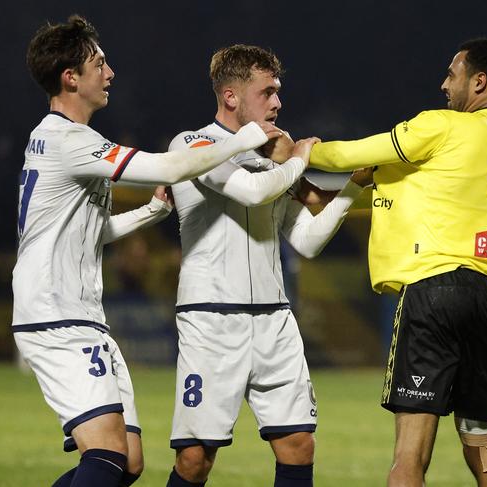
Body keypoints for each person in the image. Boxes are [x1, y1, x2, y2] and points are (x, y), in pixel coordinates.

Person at [14, 16, 280, 487]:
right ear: (70, 77)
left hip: (77, 314)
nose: (110, 73)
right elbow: (171, 164)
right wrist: (243, 139)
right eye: (99, 63)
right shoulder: (68, 140)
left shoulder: (56, 140)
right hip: (56, 316)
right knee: (108, 456)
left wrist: (152, 213)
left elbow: (87, 234)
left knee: (129, 462)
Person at [308, 38, 487, 486]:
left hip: (436, 291)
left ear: (479, 81)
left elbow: (352, 154)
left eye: (453, 74)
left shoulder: (443, 127)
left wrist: (302, 152)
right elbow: (438, 188)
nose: (444, 84)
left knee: (409, 456)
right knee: (484, 449)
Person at [165, 44, 371, 487]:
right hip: (212, 320)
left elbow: (308, 240)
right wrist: (298, 158)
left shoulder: (269, 162)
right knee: (196, 460)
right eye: (267, 91)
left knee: (298, 444)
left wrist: (353, 187)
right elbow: (252, 193)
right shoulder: (194, 145)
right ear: (231, 96)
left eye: (278, 91)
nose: (277, 102)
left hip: (275, 319)